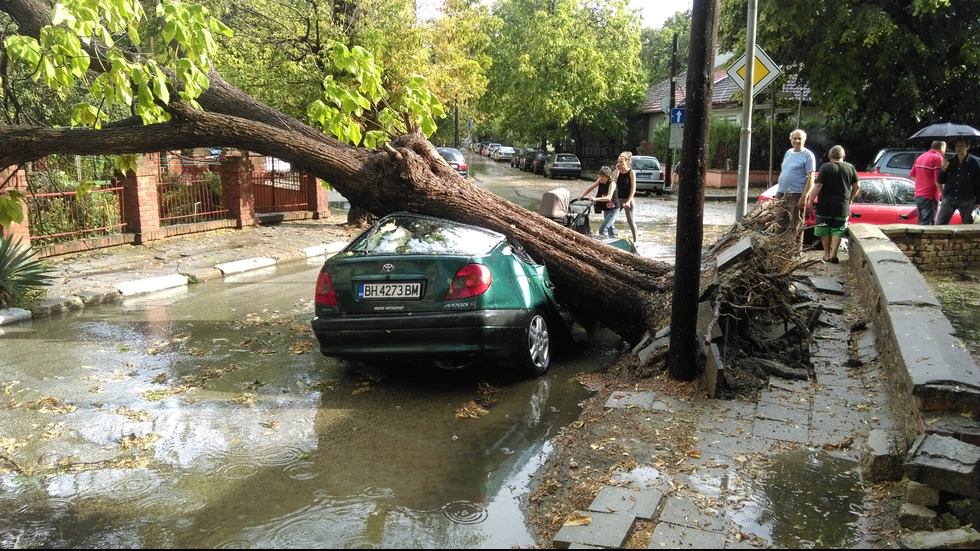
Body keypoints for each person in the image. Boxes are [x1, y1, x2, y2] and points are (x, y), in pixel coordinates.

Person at [808, 145, 859, 263]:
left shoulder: (825, 167)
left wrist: (811, 199)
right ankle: (834, 254)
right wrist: (850, 199)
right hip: (842, 206)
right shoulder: (850, 167)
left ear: (829, 156)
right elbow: (857, 186)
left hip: (825, 206)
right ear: (844, 156)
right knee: (838, 229)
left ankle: (826, 254)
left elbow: (818, 185)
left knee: (824, 229)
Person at [775, 129, 817, 242]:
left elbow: (811, 178)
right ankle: (779, 249)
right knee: (779, 222)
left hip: (797, 193)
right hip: (782, 192)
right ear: (791, 140)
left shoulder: (808, 156)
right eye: (795, 138)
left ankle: (794, 252)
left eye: (799, 138)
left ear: (804, 140)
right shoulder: (788, 152)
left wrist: (804, 197)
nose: (797, 141)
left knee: (795, 224)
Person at [936, 138, 980, 225]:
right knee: (941, 224)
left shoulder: (973, 163)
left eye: (962, 145)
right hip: (949, 197)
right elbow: (940, 180)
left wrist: (978, 201)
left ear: (968, 147)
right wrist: (943, 169)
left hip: (967, 199)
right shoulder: (950, 162)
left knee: (967, 225)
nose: (959, 148)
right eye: (957, 146)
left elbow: (977, 183)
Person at [909, 141, 946, 225]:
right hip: (930, 195)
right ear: (941, 148)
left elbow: (912, 175)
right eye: (944, 148)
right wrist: (944, 193)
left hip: (919, 194)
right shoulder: (937, 158)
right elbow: (938, 180)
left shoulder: (921, 157)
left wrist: (922, 185)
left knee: (921, 221)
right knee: (928, 224)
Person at [577, 166, 619, 236]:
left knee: (603, 229)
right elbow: (590, 188)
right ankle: (616, 238)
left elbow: (608, 197)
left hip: (613, 209)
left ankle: (605, 245)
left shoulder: (612, 183)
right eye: (600, 176)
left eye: (603, 177)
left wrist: (596, 199)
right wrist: (582, 195)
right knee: (610, 230)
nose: (601, 178)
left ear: (608, 177)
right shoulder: (600, 180)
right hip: (606, 208)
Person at [612, 151, 638, 242]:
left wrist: (628, 201)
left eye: (621, 162)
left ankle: (635, 241)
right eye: (618, 162)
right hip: (618, 199)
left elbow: (633, 189)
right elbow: (613, 184)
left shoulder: (631, 172)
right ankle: (613, 237)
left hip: (628, 199)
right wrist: (617, 172)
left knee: (630, 221)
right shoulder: (617, 171)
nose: (620, 164)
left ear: (627, 162)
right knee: (612, 219)